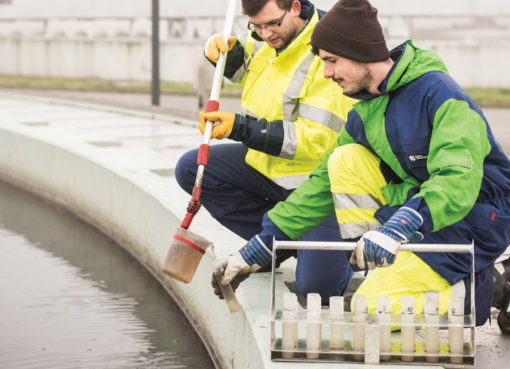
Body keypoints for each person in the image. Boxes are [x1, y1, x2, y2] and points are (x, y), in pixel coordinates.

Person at [208, 0, 510, 325]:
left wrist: (402, 224)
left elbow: (457, 179)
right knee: (344, 160)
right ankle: (387, 271)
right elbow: (321, 186)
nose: (327, 73)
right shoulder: (366, 111)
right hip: (423, 218)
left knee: (368, 309)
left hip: (475, 219)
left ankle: (484, 287)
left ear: (359, 51)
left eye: (331, 61)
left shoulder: (440, 96)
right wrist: (258, 248)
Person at [175, 0, 355, 302]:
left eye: (272, 23)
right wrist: (226, 57)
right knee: (191, 168)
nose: (265, 33)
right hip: (270, 169)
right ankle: (278, 245)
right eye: (256, 25)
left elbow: (315, 141)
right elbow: (253, 71)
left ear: (295, 7)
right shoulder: (263, 36)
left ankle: (341, 249)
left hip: (320, 186)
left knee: (316, 292)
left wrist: (240, 127)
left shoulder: (328, 52)